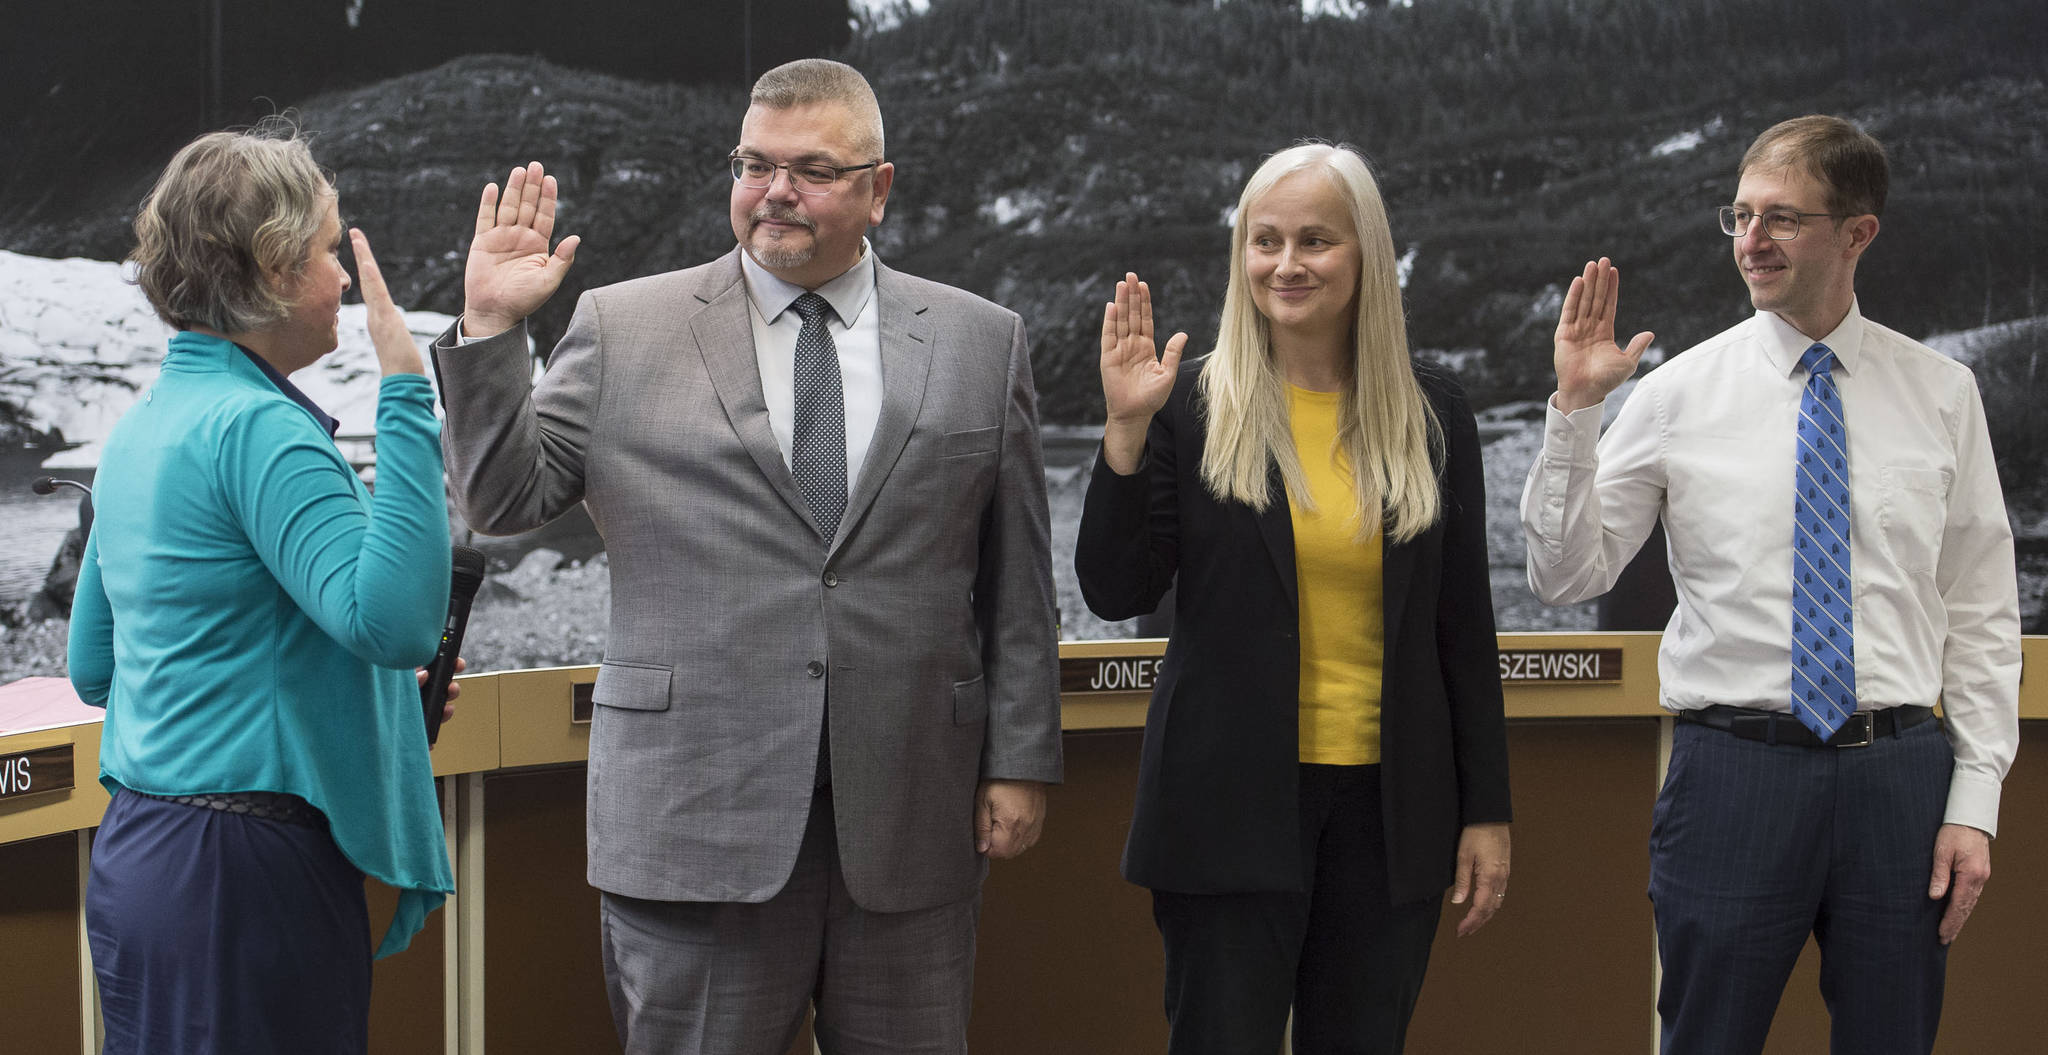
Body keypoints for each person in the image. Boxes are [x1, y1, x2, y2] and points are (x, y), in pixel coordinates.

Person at [431, 59, 1063, 1053]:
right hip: (693, 822)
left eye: (811, 168)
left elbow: (1015, 578)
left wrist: (1020, 758)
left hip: (908, 822)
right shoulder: (621, 325)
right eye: (753, 163)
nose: (774, 190)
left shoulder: (982, 341)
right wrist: (493, 326)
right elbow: (502, 498)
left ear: (877, 188)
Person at [1519, 115, 2019, 1053]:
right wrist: (1576, 414)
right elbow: (1563, 572)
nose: (1750, 242)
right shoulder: (1675, 395)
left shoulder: (1945, 394)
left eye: (1782, 219)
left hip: (1901, 777)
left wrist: (1974, 803)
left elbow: (1983, 614)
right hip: (1732, 775)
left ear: (1857, 232)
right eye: (1740, 216)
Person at [1074, 142, 1513, 1054]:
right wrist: (1124, 430)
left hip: (1391, 821)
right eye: (1264, 239)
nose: (1287, 263)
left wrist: (1487, 812)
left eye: (1316, 239)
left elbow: (1463, 629)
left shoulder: (1436, 414)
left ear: (1367, 255)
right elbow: (1116, 589)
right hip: (1223, 813)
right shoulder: (1188, 405)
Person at [67, 123, 456, 1054]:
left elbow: (94, 666)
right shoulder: (261, 429)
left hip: (139, 862)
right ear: (277, 266)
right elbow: (399, 623)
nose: (344, 280)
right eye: (330, 250)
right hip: (244, 879)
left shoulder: (142, 427)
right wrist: (406, 390)